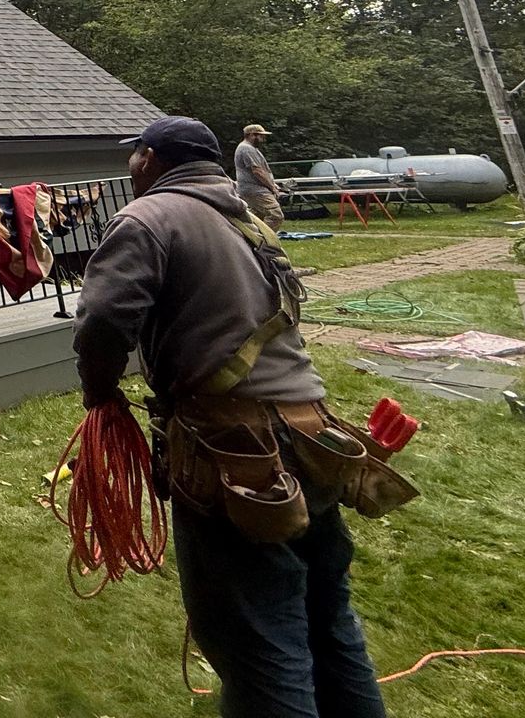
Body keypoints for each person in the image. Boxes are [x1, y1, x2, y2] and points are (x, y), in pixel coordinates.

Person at [74, 115, 404, 718]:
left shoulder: (147, 218)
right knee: (327, 616)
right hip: (312, 437)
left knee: (257, 636)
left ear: (150, 159)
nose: (130, 166)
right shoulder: (249, 222)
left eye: (134, 155)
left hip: (234, 456)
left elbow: (102, 322)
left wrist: (99, 395)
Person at [235, 121, 286, 230]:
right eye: (261, 136)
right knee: (275, 215)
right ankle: (264, 241)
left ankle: (249, 239)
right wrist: (272, 187)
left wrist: (273, 184)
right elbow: (257, 171)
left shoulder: (249, 148)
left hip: (252, 189)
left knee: (257, 217)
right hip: (255, 189)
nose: (264, 139)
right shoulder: (246, 148)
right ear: (252, 135)